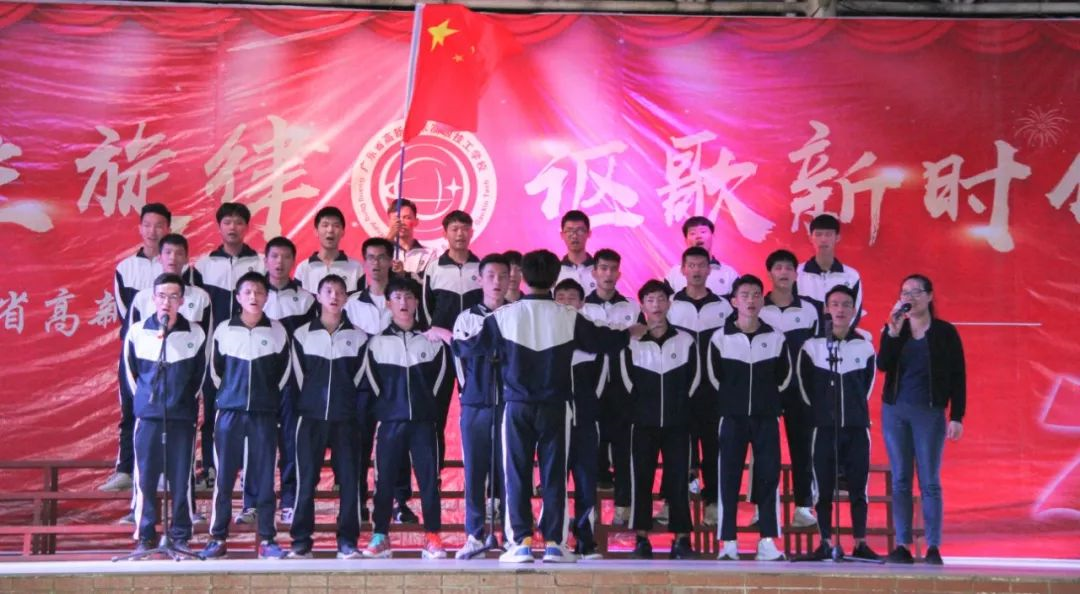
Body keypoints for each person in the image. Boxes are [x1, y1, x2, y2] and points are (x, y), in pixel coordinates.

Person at [472, 250, 644, 564]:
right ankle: (554, 544)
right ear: (554, 279)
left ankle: (520, 543)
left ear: (521, 278)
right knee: (554, 476)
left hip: (517, 405)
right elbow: (602, 341)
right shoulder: (568, 316)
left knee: (517, 474)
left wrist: (446, 337)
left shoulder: (503, 316)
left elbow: (471, 346)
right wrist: (629, 333)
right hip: (556, 406)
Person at [200, 272, 291, 560]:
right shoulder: (224, 330)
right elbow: (215, 372)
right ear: (238, 297)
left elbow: (284, 373)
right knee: (224, 478)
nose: (254, 297)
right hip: (229, 414)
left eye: (259, 292)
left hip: (264, 415)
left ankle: (268, 539)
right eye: (248, 292)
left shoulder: (277, 331)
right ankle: (217, 538)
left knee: (265, 479)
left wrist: (266, 399)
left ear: (267, 297)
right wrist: (231, 396)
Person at [878, 274, 966, 566]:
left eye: (916, 292)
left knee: (929, 481)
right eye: (905, 292)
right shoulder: (895, 328)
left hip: (929, 412)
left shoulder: (944, 332)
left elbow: (958, 375)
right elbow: (882, 365)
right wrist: (892, 333)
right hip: (895, 411)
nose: (910, 297)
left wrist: (957, 416)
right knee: (900, 479)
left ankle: (933, 547)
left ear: (929, 296)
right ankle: (902, 545)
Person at [362, 277, 452, 560]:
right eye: (398, 297)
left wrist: (428, 409)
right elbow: (372, 382)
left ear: (416, 303)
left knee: (429, 481)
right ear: (388, 304)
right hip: (390, 423)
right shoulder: (376, 343)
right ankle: (380, 536)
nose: (404, 302)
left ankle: (433, 536)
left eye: (409, 297)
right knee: (384, 480)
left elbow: (441, 383)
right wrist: (387, 408)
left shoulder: (432, 342)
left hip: (424, 424)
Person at [708, 274, 792, 561]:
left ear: (762, 301)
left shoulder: (776, 337)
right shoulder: (720, 338)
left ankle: (767, 541)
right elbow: (714, 378)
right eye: (744, 295)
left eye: (756, 295)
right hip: (732, 418)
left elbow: (785, 377)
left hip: (766, 417)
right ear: (734, 301)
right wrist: (731, 402)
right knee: (728, 478)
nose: (751, 300)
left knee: (769, 476)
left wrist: (769, 402)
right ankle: (728, 542)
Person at [123, 273, 207, 554]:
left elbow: (199, 377)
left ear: (182, 301)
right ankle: (146, 535)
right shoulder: (138, 332)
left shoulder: (195, 334)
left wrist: (180, 402)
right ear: (153, 298)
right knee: (145, 479)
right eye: (161, 296)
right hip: (148, 418)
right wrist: (146, 403)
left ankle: (180, 535)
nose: (166, 302)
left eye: (173, 296)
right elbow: (130, 374)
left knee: (181, 479)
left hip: (181, 418)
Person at [288, 275, 368, 559]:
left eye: (339, 292)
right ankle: (301, 541)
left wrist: (351, 411)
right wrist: (304, 408)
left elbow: (361, 381)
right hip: (309, 419)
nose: (334, 296)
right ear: (318, 296)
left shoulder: (359, 337)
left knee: (350, 481)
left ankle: (347, 541)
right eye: (328, 291)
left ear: (346, 298)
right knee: (305, 481)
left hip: (346, 421)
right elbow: (295, 380)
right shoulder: (301, 335)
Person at [797, 285, 880, 561]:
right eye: (835, 304)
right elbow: (804, 386)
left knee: (858, 487)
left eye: (846, 304)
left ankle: (860, 542)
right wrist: (821, 413)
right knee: (823, 488)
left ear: (854, 310)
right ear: (826, 309)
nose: (840, 310)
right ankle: (825, 541)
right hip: (823, 429)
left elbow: (867, 386)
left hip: (857, 429)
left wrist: (853, 412)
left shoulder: (864, 346)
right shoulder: (812, 347)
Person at [622, 280, 699, 560]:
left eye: (661, 299)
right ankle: (641, 539)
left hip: (678, 424)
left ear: (669, 304)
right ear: (642, 305)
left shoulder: (686, 340)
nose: (656, 305)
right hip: (642, 424)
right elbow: (626, 380)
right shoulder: (632, 340)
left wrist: (681, 408)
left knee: (678, 480)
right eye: (650, 300)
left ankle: (682, 540)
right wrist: (640, 410)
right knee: (641, 479)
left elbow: (695, 379)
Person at [193, 203, 265, 492]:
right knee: (213, 409)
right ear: (219, 227)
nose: (233, 227)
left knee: (252, 412)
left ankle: (249, 473)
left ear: (247, 227)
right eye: (227, 222)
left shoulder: (260, 263)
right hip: (215, 349)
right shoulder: (203, 265)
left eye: (238, 222)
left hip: (251, 351)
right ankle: (210, 469)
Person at [100, 202, 170, 492]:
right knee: (131, 409)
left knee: (168, 411)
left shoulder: (178, 267)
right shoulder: (125, 268)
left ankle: (165, 471)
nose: (153, 231)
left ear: (168, 229)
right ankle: (125, 470)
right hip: (135, 351)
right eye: (148, 225)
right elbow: (125, 314)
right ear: (140, 228)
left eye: (159, 226)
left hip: (170, 352)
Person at [346, 237, 417, 525]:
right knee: (359, 443)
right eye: (371, 258)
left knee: (398, 443)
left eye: (382, 257)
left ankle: (400, 502)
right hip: (361, 385)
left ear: (391, 261)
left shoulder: (401, 298)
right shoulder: (351, 302)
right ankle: (358, 499)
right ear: (364, 262)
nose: (376, 263)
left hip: (395, 383)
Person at [665, 246, 731, 529]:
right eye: (690, 265)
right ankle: (672, 504)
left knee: (714, 447)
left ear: (709, 270)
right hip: (679, 389)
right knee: (677, 448)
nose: (696, 270)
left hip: (714, 391)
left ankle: (713, 502)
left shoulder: (724, 307)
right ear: (682, 270)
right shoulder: (669, 305)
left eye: (701, 265)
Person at [451, 254, 510, 559]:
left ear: (511, 280)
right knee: (475, 472)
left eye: (502, 276)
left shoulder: (517, 314)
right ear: (480, 280)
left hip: (510, 405)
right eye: (491, 276)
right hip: (476, 405)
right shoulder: (466, 318)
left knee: (510, 471)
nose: (497, 282)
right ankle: (474, 534)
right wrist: (470, 393)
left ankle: (512, 536)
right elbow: (461, 360)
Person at [757, 249, 818, 529]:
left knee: (803, 447)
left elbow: (818, 350)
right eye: (778, 268)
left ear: (796, 274)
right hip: (766, 389)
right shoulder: (758, 307)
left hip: (801, 390)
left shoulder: (810, 310)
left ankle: (804, 505)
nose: (783, 272)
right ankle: (763, 507)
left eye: (788, 268)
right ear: (769, 273)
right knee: (763, 451)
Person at [580, 248, 639, 526]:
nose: (608, 274)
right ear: (594, 273)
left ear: (619, 273)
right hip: (591, 382)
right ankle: (589, 512)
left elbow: (638, 342)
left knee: (625, 444)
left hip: (624, 383)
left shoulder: (631, 307)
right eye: (603, 268)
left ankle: (624, 505)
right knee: (591, 444)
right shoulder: (582, 308)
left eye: (613, 269)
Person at [422, 210, 482, 472]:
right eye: (455, 229)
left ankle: (477, 475)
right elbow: (425, 309)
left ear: (471, 232)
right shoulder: (434, 268)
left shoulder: (482, 268)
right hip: (441, 354)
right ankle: (433, 475)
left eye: (465, 229)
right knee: (435, 412)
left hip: (473, 352)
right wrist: (436, 335)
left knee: (475, 412)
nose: (460, 234)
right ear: (445, 233)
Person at [261, 236, 315, 525]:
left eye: (285, 257)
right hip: (262, 381)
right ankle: (257, 501)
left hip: (295, 382)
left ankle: (290, 498)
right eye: (274, 256)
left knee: (293, 441)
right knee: (262, 442)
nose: (279, 262)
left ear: (293, 261)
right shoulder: (253, 295)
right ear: (266, 260)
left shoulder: (306, 300)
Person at [552, 278, 605, 559]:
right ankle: (557, 539)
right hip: (554, 422)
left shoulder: (592, 338)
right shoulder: (546, 336)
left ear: (582, 303)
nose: (566, 302)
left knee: (586, 482)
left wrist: (588, 409)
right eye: (560, 297)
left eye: (572, 297)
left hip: (585, 421)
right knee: (555, 482)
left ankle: (585, 540)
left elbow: (601, 381)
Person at [796, 214, 863, 331]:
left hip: (838, 339)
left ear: (837, 237)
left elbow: (855, 312)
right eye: (818, 234)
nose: (823, 239)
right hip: (804, 338)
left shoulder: (851, 276)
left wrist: (838, 336)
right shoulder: (797, 274)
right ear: (810, 237)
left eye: (828, 234)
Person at [664, 216, 739, 296]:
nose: (698, 236)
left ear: (713, 236)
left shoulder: (729, 274)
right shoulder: (674, 274)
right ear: (686, 240)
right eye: (692, 233)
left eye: (703, 232)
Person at [294, 207, 363, 294]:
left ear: (343, 232)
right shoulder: (303, 269)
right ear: (316, 231)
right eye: (325, 225)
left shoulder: (356, 268)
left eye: (336, 225)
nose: (330, 230)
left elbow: (362, 301)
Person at [385, 198, 438, 281]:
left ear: (416, 221)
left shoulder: (429, 254)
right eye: (396, 218)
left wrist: (404, 274)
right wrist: (389, 238)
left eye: (407, 217)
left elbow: (427, 283)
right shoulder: (384, 251)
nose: (401, 222)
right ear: (389, 222)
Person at [555, 210, 598, 295]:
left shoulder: (600, 271)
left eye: (580, 230)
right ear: (562, 235)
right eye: (569, 231)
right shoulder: (555, 272)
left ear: (589, 233)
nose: (574, 236)